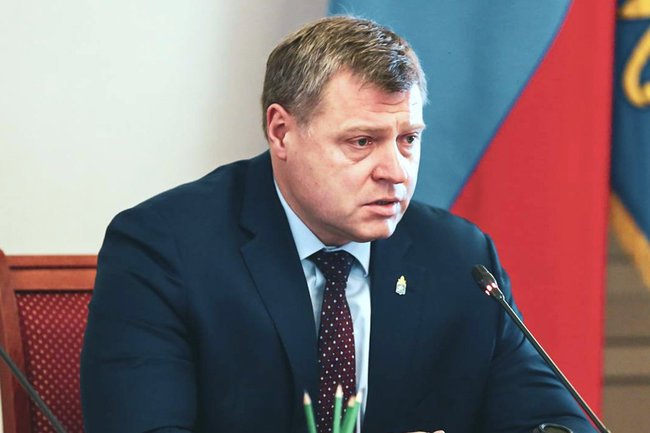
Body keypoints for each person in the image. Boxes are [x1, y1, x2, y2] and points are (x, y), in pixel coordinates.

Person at [81, 16, 597, 433]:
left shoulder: (460, 259)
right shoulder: (164, 249)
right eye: (361, 142)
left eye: (408, 139)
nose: (396, 171)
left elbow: (551, 420)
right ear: (281, 132)